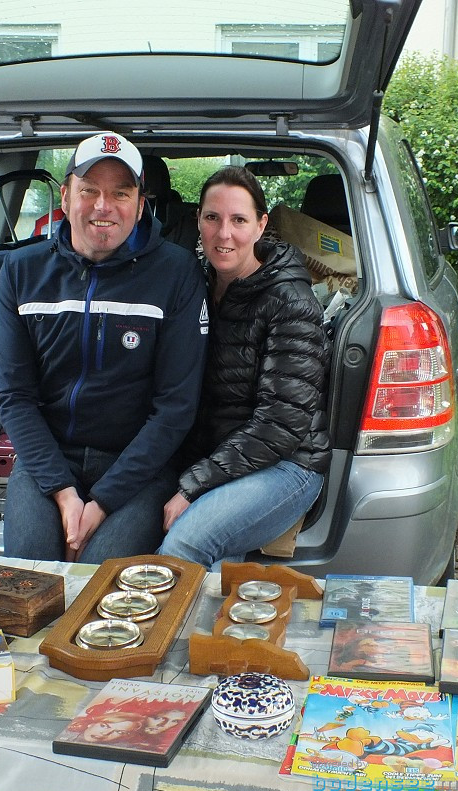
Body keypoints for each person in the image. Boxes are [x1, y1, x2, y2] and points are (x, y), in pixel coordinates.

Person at [0, 132, 208, 563]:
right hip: (47, 461)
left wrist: (103, 501)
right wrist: (63, 491)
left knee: (101, 585)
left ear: (141, 204)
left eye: (120, 193)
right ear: (66, 194)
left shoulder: (177, 273)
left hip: (138, 468)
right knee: (29, 577)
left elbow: (176, 408)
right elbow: (12, 395)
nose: (102, 206)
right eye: (89, 190)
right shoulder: (21, 271)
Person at [156, 166, 330, 568]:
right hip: (223, 458)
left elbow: (281, 424)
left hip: (288, 463)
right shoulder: (194, 285)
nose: (224, 234)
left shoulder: (290, 301)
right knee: (216, 570)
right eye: (212, 218)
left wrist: (192, 486)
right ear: (197, 219)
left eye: (238, 220)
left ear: (260, 225)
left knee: (185, 548)